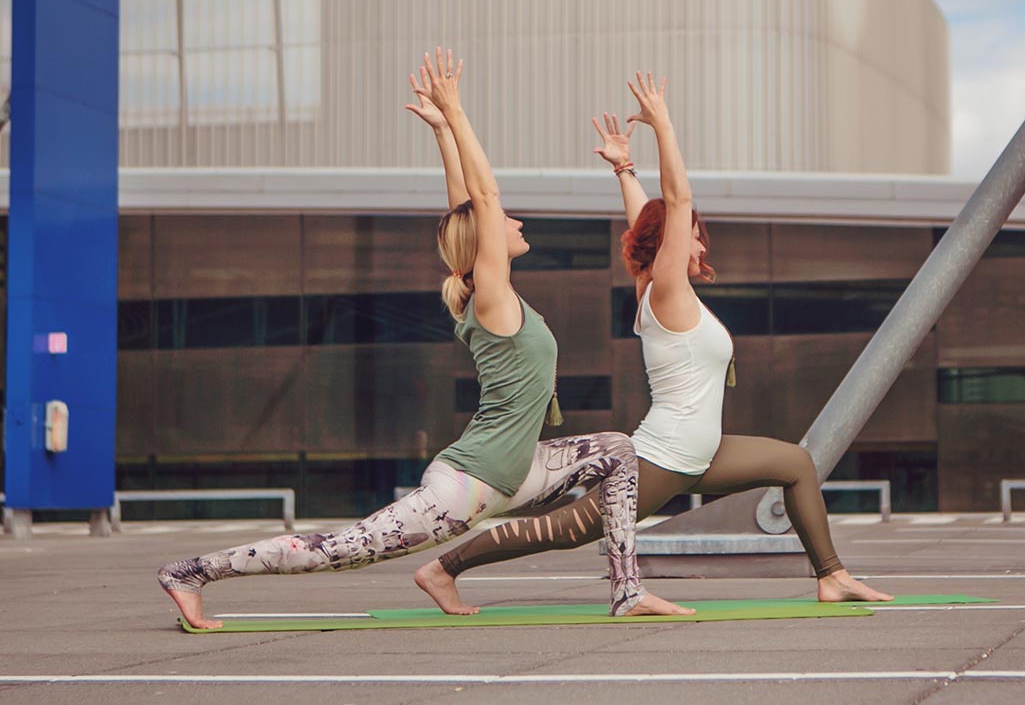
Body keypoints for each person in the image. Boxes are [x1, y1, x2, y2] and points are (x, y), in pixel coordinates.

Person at [157, 51, 689, 628]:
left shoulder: (490, 294)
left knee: (616, 450)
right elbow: (483, 205)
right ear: (485, 242)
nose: (515, 224)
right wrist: (458, 114)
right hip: (468, 485)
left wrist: (442, 133)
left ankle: (626, 591)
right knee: (340, 550)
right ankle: (191, 572)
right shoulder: (491, 298)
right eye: (506, 222)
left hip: (518, 473)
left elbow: (466, 206)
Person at [420, 72, 892, 610]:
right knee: (568, 529)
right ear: (670, 243)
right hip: (665, 456)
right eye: (691, 231)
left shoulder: (657, 289)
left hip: (699, 449)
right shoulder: (667, 292)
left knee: (795, 464)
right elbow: (675, 199)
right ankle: (444, 567)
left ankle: (831, 576)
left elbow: (645, 218)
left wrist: (624, 167)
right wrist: (664, 125)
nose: (696, 237)